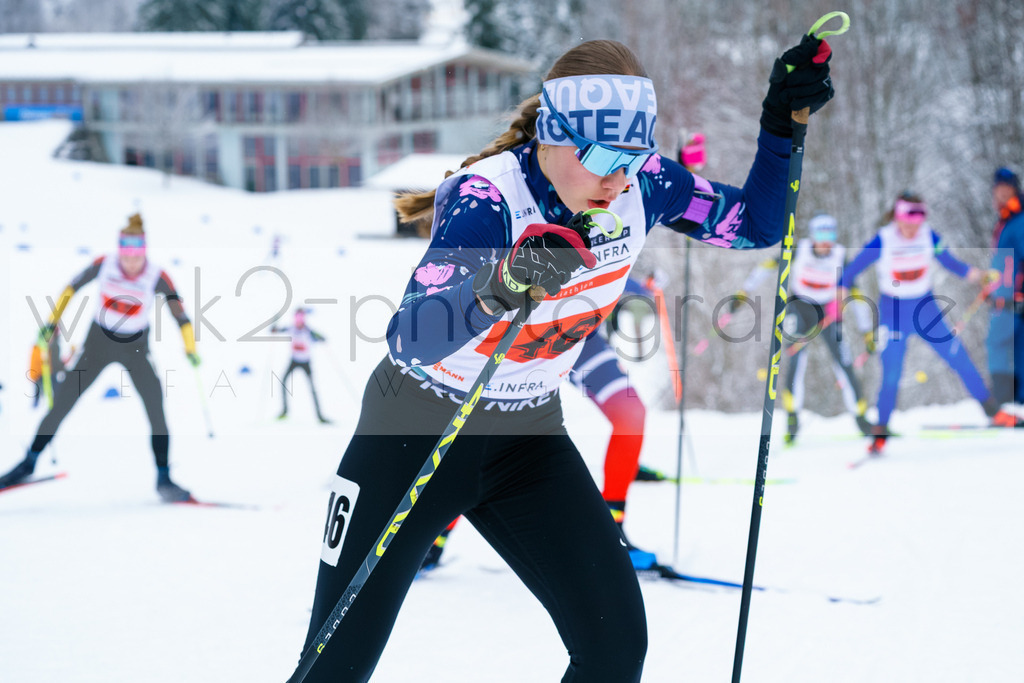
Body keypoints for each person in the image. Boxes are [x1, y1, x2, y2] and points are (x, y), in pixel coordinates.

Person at [293, 37, 835, 682]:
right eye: (602, 155)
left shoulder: (645, 184)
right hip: (414, 434)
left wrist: (780, 124)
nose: (618, 178)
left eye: (633, 157)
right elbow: (411, 335)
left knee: (614, 649)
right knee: (335, 666)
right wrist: (504, 283)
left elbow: (755, 225)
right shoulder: (487, 198)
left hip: (528, 440)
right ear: (550, 137)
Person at [0, 213, 200, 501]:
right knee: (63, 402)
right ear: (120, 252)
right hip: (98, 344)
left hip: (135, 348)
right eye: (126, 257)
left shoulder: (157, 275)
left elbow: (180, 315)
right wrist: (51, 323)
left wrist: (190, 348)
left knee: (156, 408)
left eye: (136, 258)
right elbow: (70, 289)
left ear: (144, 253)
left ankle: (164, 478)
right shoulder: (105, 264)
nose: (131, 264)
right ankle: (29, 462)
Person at [839, 191, 1021, 455]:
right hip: (894, 313)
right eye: (908, 221)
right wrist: (840, 291)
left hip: (926, 311)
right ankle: (880, 430)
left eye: (918, 220)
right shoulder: (884, 239)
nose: (913, 228)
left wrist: (979, 276)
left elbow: (951, 263)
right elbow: (852, 269)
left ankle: (993, 411)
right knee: (891, 372)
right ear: (897, 217)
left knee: (958, 357)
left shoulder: (928, 236)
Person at [733, 213, 874, 442]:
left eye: (830, 235)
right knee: (796, 361)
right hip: (799, 307)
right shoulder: (800, 250)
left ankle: (862, 420)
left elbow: (856, 295)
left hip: (829, 313)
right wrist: (744, 291)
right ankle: (792, 420)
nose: (825, 241)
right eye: (820, 235)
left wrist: (866, 331)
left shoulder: (840, 256)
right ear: (812, 235)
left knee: (844, 363)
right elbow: (766, 266)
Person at [986, 166, 1024, 407]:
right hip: (1006, 296)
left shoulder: (1017, 221)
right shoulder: (1006, 219)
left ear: (1014, 190)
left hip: (1012, 299)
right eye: (998, 189)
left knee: (996, 344)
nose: (1001, 194)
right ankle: (1017, 402)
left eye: (1006, 189)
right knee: (1018, 348)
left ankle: (1003, 401)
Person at [273, 307, 331, 423]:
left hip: (306, 362)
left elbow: (323, 338)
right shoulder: (291, 328)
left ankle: (320, 416)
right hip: (294, 361)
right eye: (297, 317)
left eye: (301, 317)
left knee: (312, 389)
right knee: (283, 382)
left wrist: (319, 337)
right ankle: (284, 411)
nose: (299, 320)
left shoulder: (309, 331)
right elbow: (274, 330)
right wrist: (275, 321)